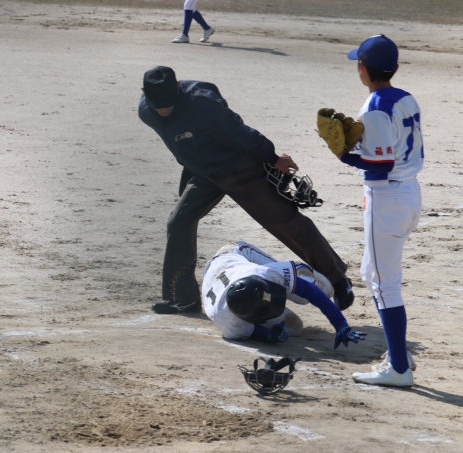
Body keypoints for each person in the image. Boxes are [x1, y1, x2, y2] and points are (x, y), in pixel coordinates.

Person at [138, 66, 354, 315]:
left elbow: (239, 130)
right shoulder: (145, 112)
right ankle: (181, 298)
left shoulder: (204, 103)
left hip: (240, 168)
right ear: (144, 93)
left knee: (285, 221)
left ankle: (338, 280)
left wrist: (272, 157)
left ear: (178, 87)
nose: (164, 110)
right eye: (159, 105)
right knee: (178, 223)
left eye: (169, 103)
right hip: (203, 173)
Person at [331, 35, 424, 387]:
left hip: (388, 200)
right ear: (395, 68)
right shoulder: (405, 98)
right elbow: (391, 153)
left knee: (384, 285)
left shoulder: (374, 108)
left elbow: (381, 165)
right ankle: (400, 353)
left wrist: (344, 156)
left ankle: (398, 368)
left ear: (363, 68)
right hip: (408, 194)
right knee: (372, 273)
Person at [202, 241, 366, 348]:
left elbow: (310, 290)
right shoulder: (230, 325)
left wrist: (340, 324)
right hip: (218, 276)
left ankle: (336, 281)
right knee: (294, 328)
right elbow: (251, 332)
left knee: (307, 284)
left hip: (232, 254)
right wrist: (270, 336)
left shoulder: (264, 273)